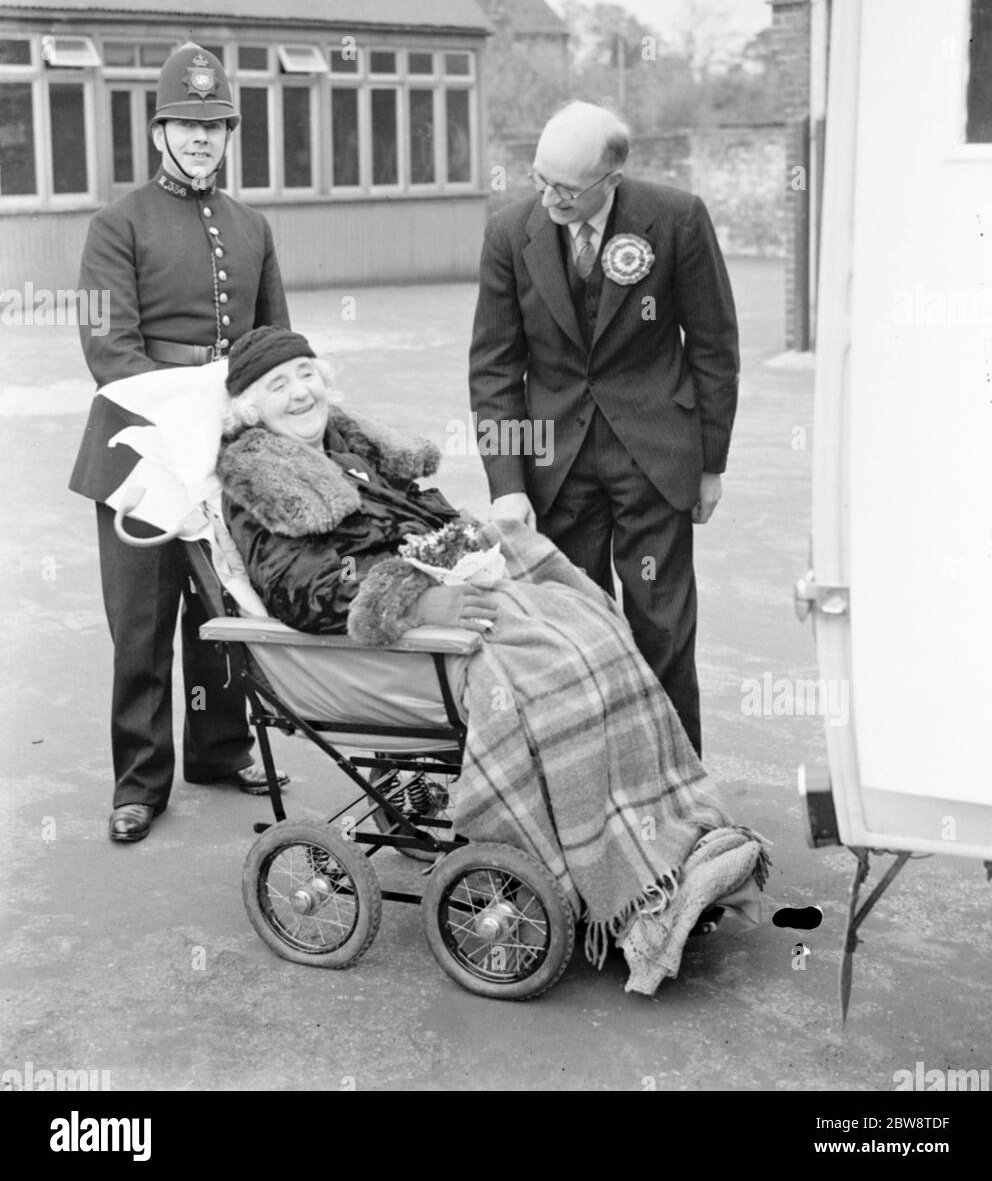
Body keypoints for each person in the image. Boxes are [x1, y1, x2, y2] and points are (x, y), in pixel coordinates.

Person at [215, 326, 768, 994]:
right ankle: (613, 875)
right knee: (556, 673)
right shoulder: (262, 479)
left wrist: (468, 551)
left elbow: (435, 520)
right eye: (279, 385)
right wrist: (419, 605)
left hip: (449, 597)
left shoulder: (348, 442)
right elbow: (300, 590)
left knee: (594, 631)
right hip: (397, 649)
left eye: (306, 373)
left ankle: (664, 844)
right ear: (249, 408)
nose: (300, 391)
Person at [69, 43, 292, 844]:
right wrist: (200, 404)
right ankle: (139, 781)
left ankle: (220, 749)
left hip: (223, 456)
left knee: (222, 608)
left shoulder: (251, 224)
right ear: (159, 130)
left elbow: (271, 345)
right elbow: (110, 352)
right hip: (140, 457)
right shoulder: (116, 225)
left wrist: (266, 414)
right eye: (186, 124)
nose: (201, 139)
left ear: (229, 133)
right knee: (141, 622)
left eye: (215, 125)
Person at [468, 101, 739, 756]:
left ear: (611, 176)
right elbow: (495, 367)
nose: (549, 198)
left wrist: (709, 465)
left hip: (654, 457)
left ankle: (678, 785)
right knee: (569, 634)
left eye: (566, 187)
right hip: (554, 468)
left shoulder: (675, 219)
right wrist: (507, 484)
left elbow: (712, 345)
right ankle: (588, 782)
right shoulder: (509, 233)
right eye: (539, 179)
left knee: (661, 629)